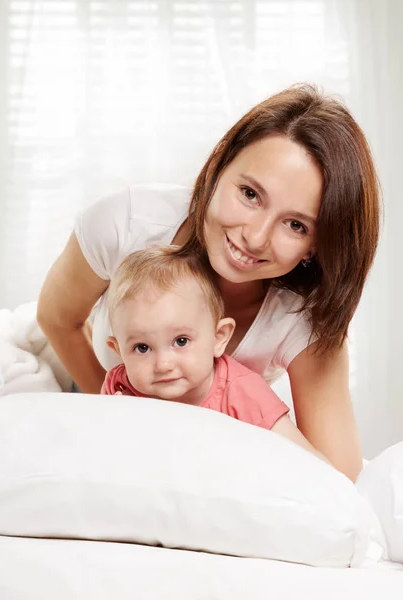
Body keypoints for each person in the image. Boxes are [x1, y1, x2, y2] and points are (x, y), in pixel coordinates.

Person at [37, 84, 380, 482]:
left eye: (295, 224)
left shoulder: (305, 321)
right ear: (218, 165)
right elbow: (57, 317)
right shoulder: (126, 224)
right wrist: (126, 414)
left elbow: (339, 480)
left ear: (315, 247)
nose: (255, 236)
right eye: (250, 194)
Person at [101, 245, 328, 463]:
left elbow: (307, 462)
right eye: (142, 348)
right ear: (119, 351)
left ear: (219, 337)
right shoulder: (121, 388)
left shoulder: (244, 393)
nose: (163, 364)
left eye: (181, 341)